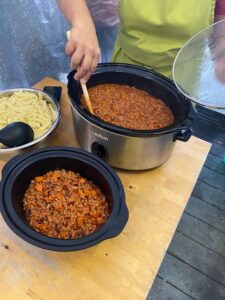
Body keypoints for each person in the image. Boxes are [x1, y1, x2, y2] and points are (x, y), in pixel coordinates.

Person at [57, 0, 225, 83]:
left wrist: (222, 54)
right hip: (126, 65)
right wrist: (83, 22)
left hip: (182, 80)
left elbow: (221, 32)